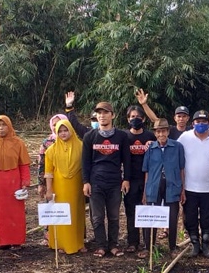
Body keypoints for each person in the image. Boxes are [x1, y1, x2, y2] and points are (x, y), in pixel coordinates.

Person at [82, 102, 131, 258]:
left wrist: (126, 179)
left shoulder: (122, 136)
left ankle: (114, 244)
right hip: (96, 181)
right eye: (99, 113)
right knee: (97, 216)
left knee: (114, 215)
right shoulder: (90, 136)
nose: (102, 115)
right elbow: (85, 161)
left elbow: (127, 160)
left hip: (115, 181)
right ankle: (101, 245)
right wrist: (86, 182)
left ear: (113, 115)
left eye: (105, 112)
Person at [0, 115, 31, 250]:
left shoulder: (18, 143)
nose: (1, 128)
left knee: (14, 211)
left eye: (4, 125)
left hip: (13, 182)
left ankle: (15, 240)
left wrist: (25, 183)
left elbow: (24, 165)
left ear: (9, 126)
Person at [177, 110, 209, 257]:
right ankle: (195, 245)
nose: (201, 124)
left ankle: (206, 246)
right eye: (198, 122)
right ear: (193, 124)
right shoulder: (185, 137)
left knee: (207, 218)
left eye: (204, 122)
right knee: (190, 218)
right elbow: (176, 156)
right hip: (189, 187)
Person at [142, 118, 185, 256]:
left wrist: (182, 189)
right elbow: (147, 171)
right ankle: (149, 247)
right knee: (152, 216)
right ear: (155, 133)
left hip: (172, 185)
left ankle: (172, 246)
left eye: (163, 131)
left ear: (168, 132)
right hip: (153, 185)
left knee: (172, 216)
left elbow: (181, 169)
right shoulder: (150, 149)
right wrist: (145, 191)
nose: (161, 134)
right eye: (158, 132)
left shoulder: (177, 147)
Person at [44, 120, 86, 254]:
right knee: (61, 213)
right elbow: (48, 172)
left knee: (76, 213)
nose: (63, 133)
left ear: (71, 130)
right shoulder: (51, 150)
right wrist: (49, 189)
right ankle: (60, 243)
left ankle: (78, 243)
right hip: (59, 187)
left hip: (76, 186)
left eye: (65, 130)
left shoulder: (81, 146)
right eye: (60, 131)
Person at [123, 105, 157, 258]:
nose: (135, 119)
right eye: (132, 117)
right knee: (131, 211)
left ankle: (148, 243)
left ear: (143, 119)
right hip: (130, 180)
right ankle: (133, 242)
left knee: (148, 210)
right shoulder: (124, 137)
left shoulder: (150, 136)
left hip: (148, 179)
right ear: (127, 119)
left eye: (138, 117)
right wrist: (125, 179)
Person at [136, 88, 209, 140]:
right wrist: (144, 104)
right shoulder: (170, 130)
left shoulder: (192, 130)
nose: (181, 119)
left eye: (184, 116)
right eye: (179, 116)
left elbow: (207, 119)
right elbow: (155, 120)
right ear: (175, 118)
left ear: (188, 118)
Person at [37, 114, 68, 201]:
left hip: (70, 181)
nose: (57, 126)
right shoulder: (47, 143)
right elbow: (41, 164)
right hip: (51, 182)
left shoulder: (75, 143)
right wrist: (41, 184)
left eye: (60, 123)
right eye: (54, 124)